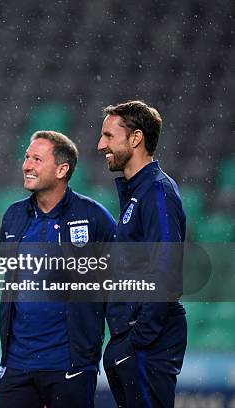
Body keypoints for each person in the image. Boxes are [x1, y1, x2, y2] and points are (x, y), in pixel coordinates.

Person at [0, 131, 116, 408]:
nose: (26, 165)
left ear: (62, 169)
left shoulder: (94, 217)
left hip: (70, 365)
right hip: (17, 365)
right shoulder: (13, 216)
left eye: (37, 159)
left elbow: (119, 281)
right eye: (27, 158)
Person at [97, 100, 187, 407]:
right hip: (133, 338)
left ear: (136, 138)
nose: (100, 145)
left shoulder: (157, 192)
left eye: (109, 136)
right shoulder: (138, 192)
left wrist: (138, 338)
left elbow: (165, 267)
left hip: (147, 340)